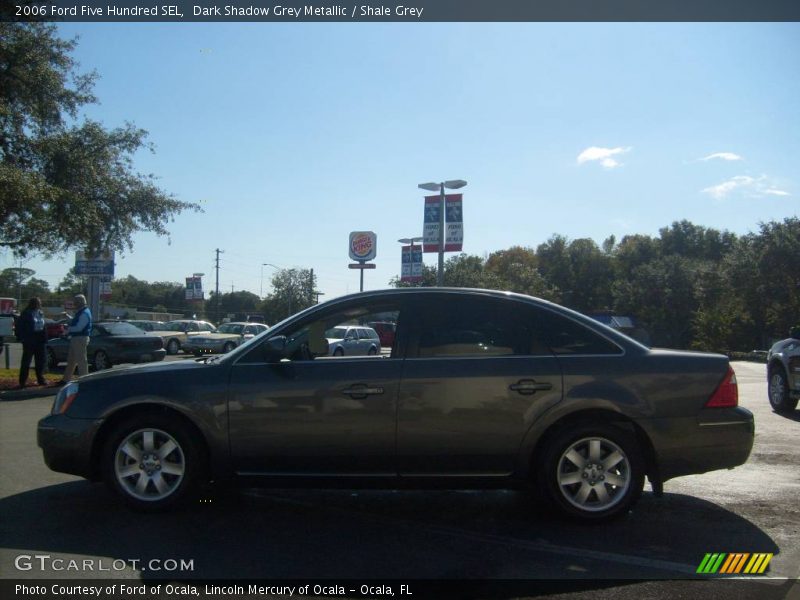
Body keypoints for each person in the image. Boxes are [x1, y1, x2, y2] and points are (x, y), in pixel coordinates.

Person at [17, 297, 48, 388]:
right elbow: (19, 327)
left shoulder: (40, 313)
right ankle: (22, 381)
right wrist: (22, 338)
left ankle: (40, 379)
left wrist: (45, 338)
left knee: (40, 361)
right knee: (26, 361)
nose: (40, 305)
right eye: (38, 303)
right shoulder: (26, 313)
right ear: (34, 304)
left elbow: (43, 325)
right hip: (29, 339)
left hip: (40, 339)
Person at [61, 294, 92, 384]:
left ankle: (85, 380)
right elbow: (75, 322)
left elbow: (79, 328)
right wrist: (67, 317)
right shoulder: (81, 312)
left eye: (76, 302)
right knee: (71, 360)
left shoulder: (85, 313)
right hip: (76, 338)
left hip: (80, 338)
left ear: (80, 302)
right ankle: (66, 379)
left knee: (81, 360)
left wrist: (68, 330)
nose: (74, 303)